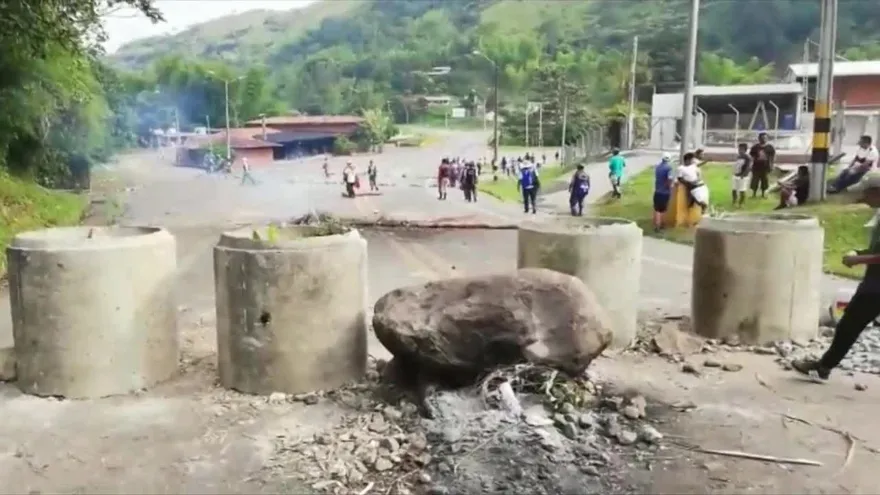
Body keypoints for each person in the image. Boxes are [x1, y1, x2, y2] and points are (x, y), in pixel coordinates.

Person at [792, 174, 880, 381]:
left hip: (876, 287)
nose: (862, 198)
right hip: (873, 282)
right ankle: (824, 366)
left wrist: (859, 260)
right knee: (850, 324)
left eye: (865, 193)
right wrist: (861, 253)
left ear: (877, 192)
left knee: (849, 325)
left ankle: (823, 367)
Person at [652, 153, 675, 232]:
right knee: (663, 209)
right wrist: (670, 187)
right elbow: (669, 179)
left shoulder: (657, 167)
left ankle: (657, 225)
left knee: (657, 209)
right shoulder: (669, 168)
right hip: (665, 192)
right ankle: (662, 225)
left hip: (657, 191)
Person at [749, 132, 775, 198]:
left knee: (764, 180)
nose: (763, 139)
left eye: (765, 138)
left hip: (765, 167)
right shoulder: (755, 147)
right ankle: (754, 194)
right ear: (759, 139)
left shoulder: (770, 147)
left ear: (767, 139)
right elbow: (752, 157)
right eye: (762, 138)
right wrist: (750, 165)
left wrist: (771, 165)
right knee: (755, 180)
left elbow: (772, 157)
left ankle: (763, 194)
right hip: (756, 166)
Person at [731, 142, 752, 207]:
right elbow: (736, 166)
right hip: (736, 175)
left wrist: (743, 175)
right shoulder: (738, 156)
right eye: (739, 149)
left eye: (741, 149)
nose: (739, 150)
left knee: (742, 190)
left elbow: (748, 167)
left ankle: (741, 203)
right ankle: (734, 201)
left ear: (745, 150)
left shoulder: (747, 157)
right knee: (734, 189)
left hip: (743, 177)